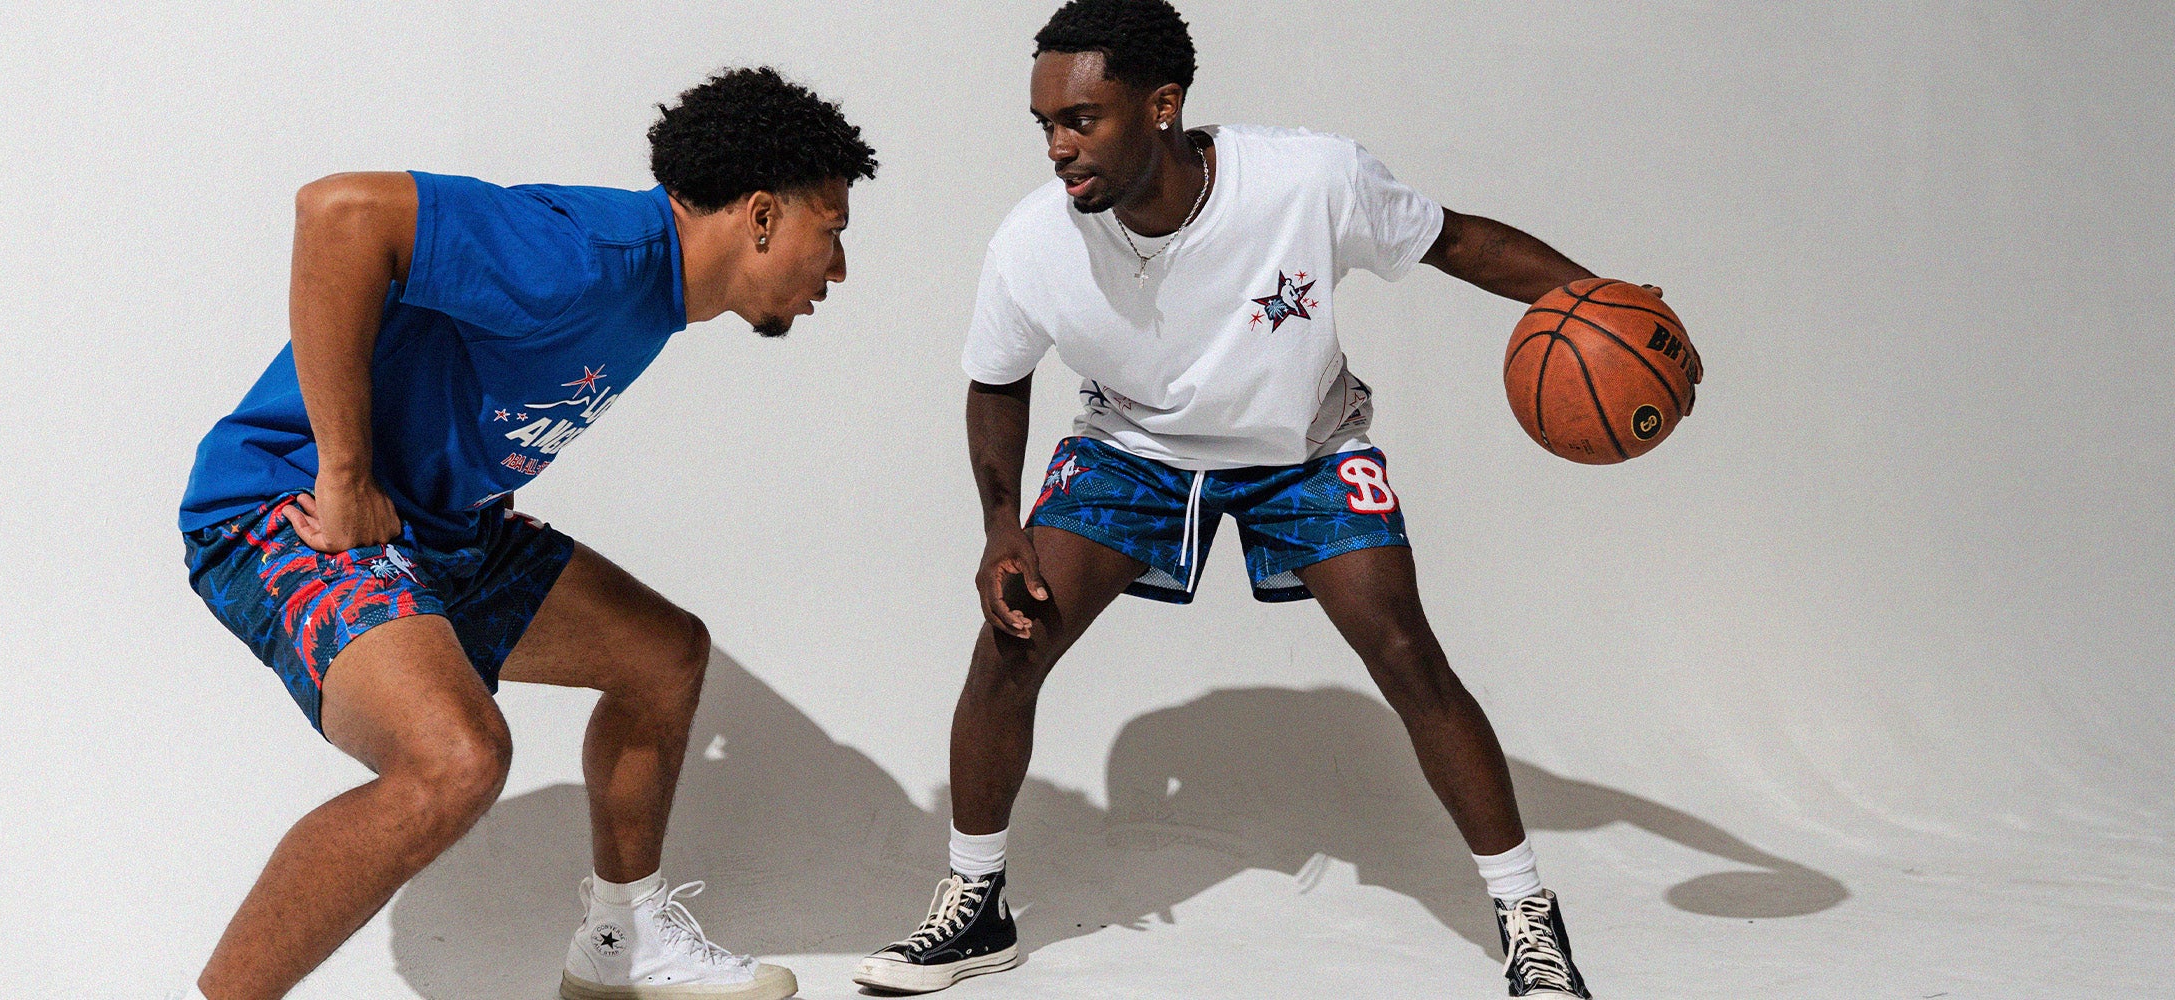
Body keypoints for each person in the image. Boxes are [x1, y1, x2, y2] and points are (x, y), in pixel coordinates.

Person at [855, 2, 1675, 997]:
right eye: (1045, 125)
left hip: (1304, 447)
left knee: (1405, 650)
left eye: (1081, 120)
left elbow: (1457, 241)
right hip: (1133, 448)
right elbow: (996, 381)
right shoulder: (1034, 240)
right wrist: (999, 529)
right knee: (1010, 642)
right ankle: (976, 903)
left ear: (1162, 106)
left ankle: (1527, 917)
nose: (1057, 148)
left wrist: (1604, 303)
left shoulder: (1307, 180)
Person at [177, 67, 874, 1000]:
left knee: (664, 657)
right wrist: (343, 474)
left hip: (440, 530)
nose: (837, 267)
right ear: (759, 216)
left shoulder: (657, 293)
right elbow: (339, 214)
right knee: (455, 760)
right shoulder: (582, 254)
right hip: (284, 510)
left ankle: (622, 945)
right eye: (830, 231)